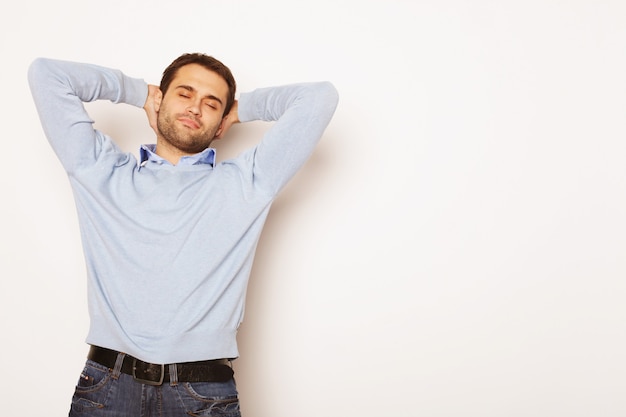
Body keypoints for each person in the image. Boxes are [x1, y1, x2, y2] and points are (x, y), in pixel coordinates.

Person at [28, 53, 339, 417]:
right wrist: (137, 92)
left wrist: (239, 110)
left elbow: (319, 98)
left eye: (211, 104)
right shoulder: (101, 171)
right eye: (184, 93)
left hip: (202, 391)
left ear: (221, 122)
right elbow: (46, 74)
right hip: (107, 387)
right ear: (161, 99)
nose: (195, 108)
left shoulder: (247, 182)